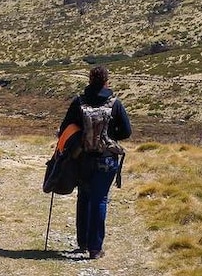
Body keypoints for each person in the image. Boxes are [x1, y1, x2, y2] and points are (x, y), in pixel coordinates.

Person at [59, 65, 132, 259]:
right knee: (99, 200)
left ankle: (82, 242)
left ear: (90, 80)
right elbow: (126, 132)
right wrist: (109, 134)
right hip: (106, 159)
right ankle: (95, 248)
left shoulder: (79, 102)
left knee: (84, 196)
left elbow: (65, 130)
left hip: (83, 158)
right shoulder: (114, 103)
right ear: (107, 81)